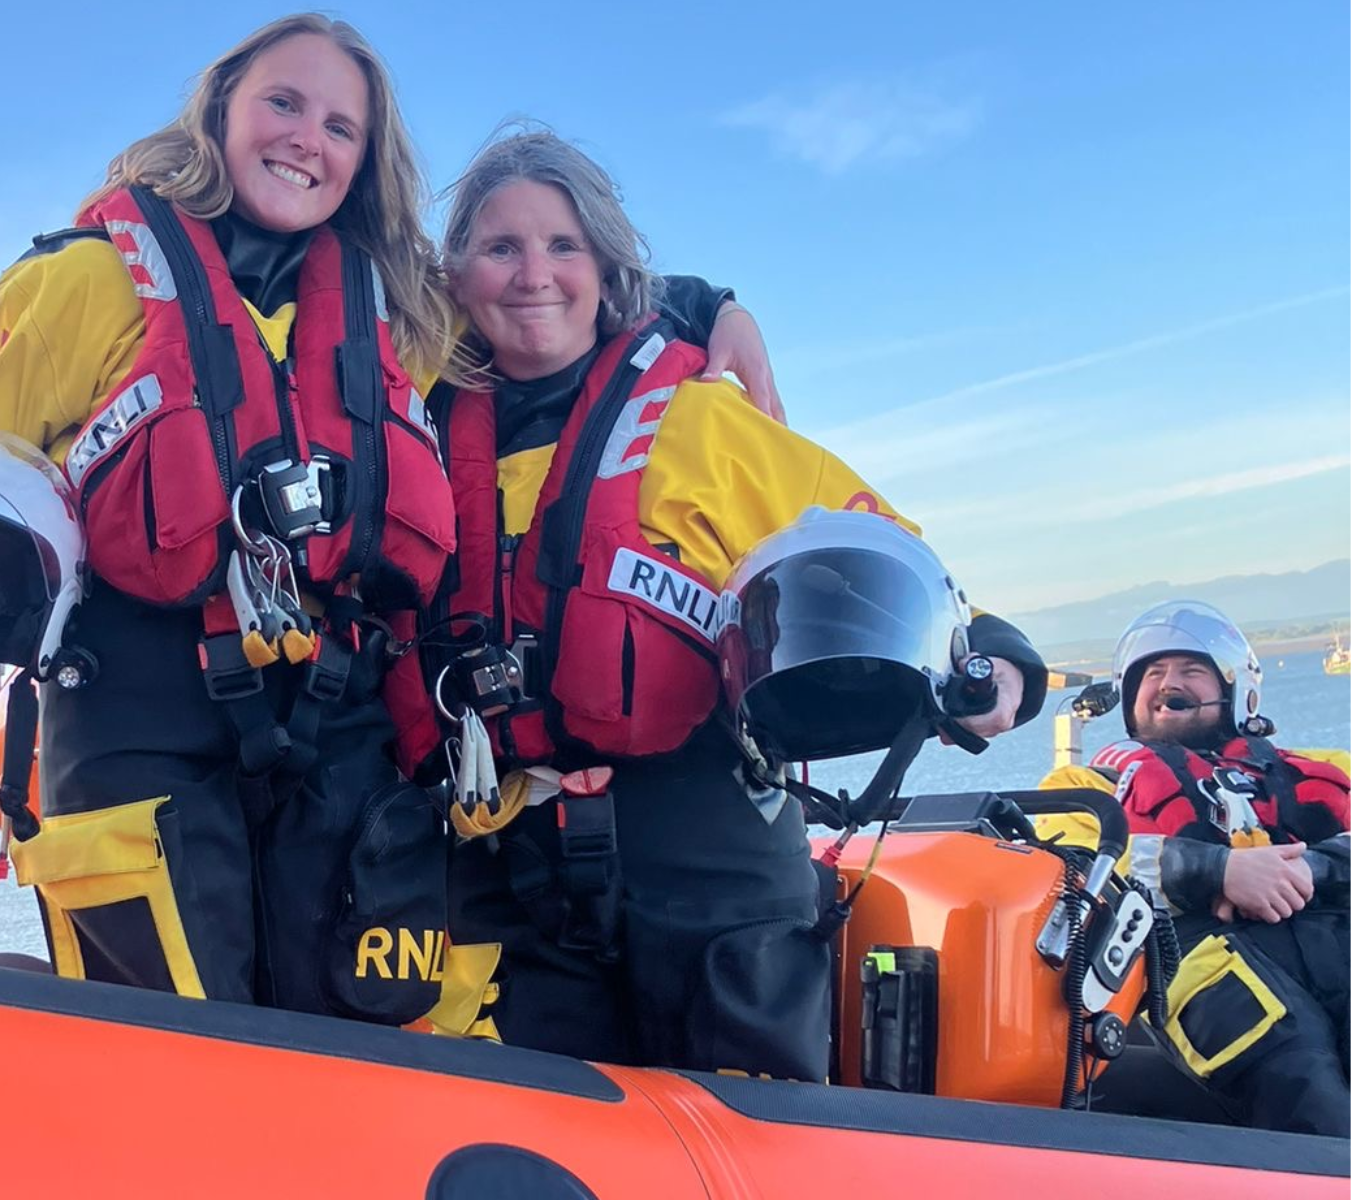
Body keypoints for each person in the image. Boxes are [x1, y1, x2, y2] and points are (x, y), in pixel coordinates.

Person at [0, 20, 783, 1023]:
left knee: (367, 1037)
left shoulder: (400, 306)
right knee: (180, 1062)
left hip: (334, 735)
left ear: (365, 160)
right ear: (221, 110)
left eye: (340, 126)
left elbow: (540, 298)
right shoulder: (83, 281)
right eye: (283, 103)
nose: (306, 140)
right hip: (134, 727)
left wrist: (709, 306)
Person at [397, 130, 1047, 1080]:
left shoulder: (702, 415)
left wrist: (994, 656)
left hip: (712, 860)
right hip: (510, 876)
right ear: (457, 275)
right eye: (501, 248)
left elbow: (878, 544)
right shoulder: (416, 424)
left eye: (563, 246)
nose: (534, 274)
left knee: (757, 1147)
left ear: (607, 267)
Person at [1075, 601, 1348, 1135]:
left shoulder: (1324, 767)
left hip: (1336, 941)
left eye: (1190, 670)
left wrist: (1312, 868)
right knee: (1305, 1088)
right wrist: (1215, 870)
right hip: (1206, 971)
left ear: (1235, 689)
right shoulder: (1088, 789)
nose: (1167, 683)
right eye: (1151, 674)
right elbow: (1074, 865)